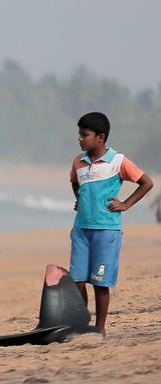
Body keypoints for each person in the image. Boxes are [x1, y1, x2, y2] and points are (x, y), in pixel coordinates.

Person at [70, 112, 153, 336]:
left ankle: (100, 328)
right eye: (79, 134)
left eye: (84, 135)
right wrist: (80, 199)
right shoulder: (78, 161)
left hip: (106, 230)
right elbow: (75, 182)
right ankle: (83, 322)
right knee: (77, 280)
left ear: (100, 137)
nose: (79, 138)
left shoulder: (118, 161)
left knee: (100, 281)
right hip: (81, 229)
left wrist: (125, 204)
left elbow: (147, 182)